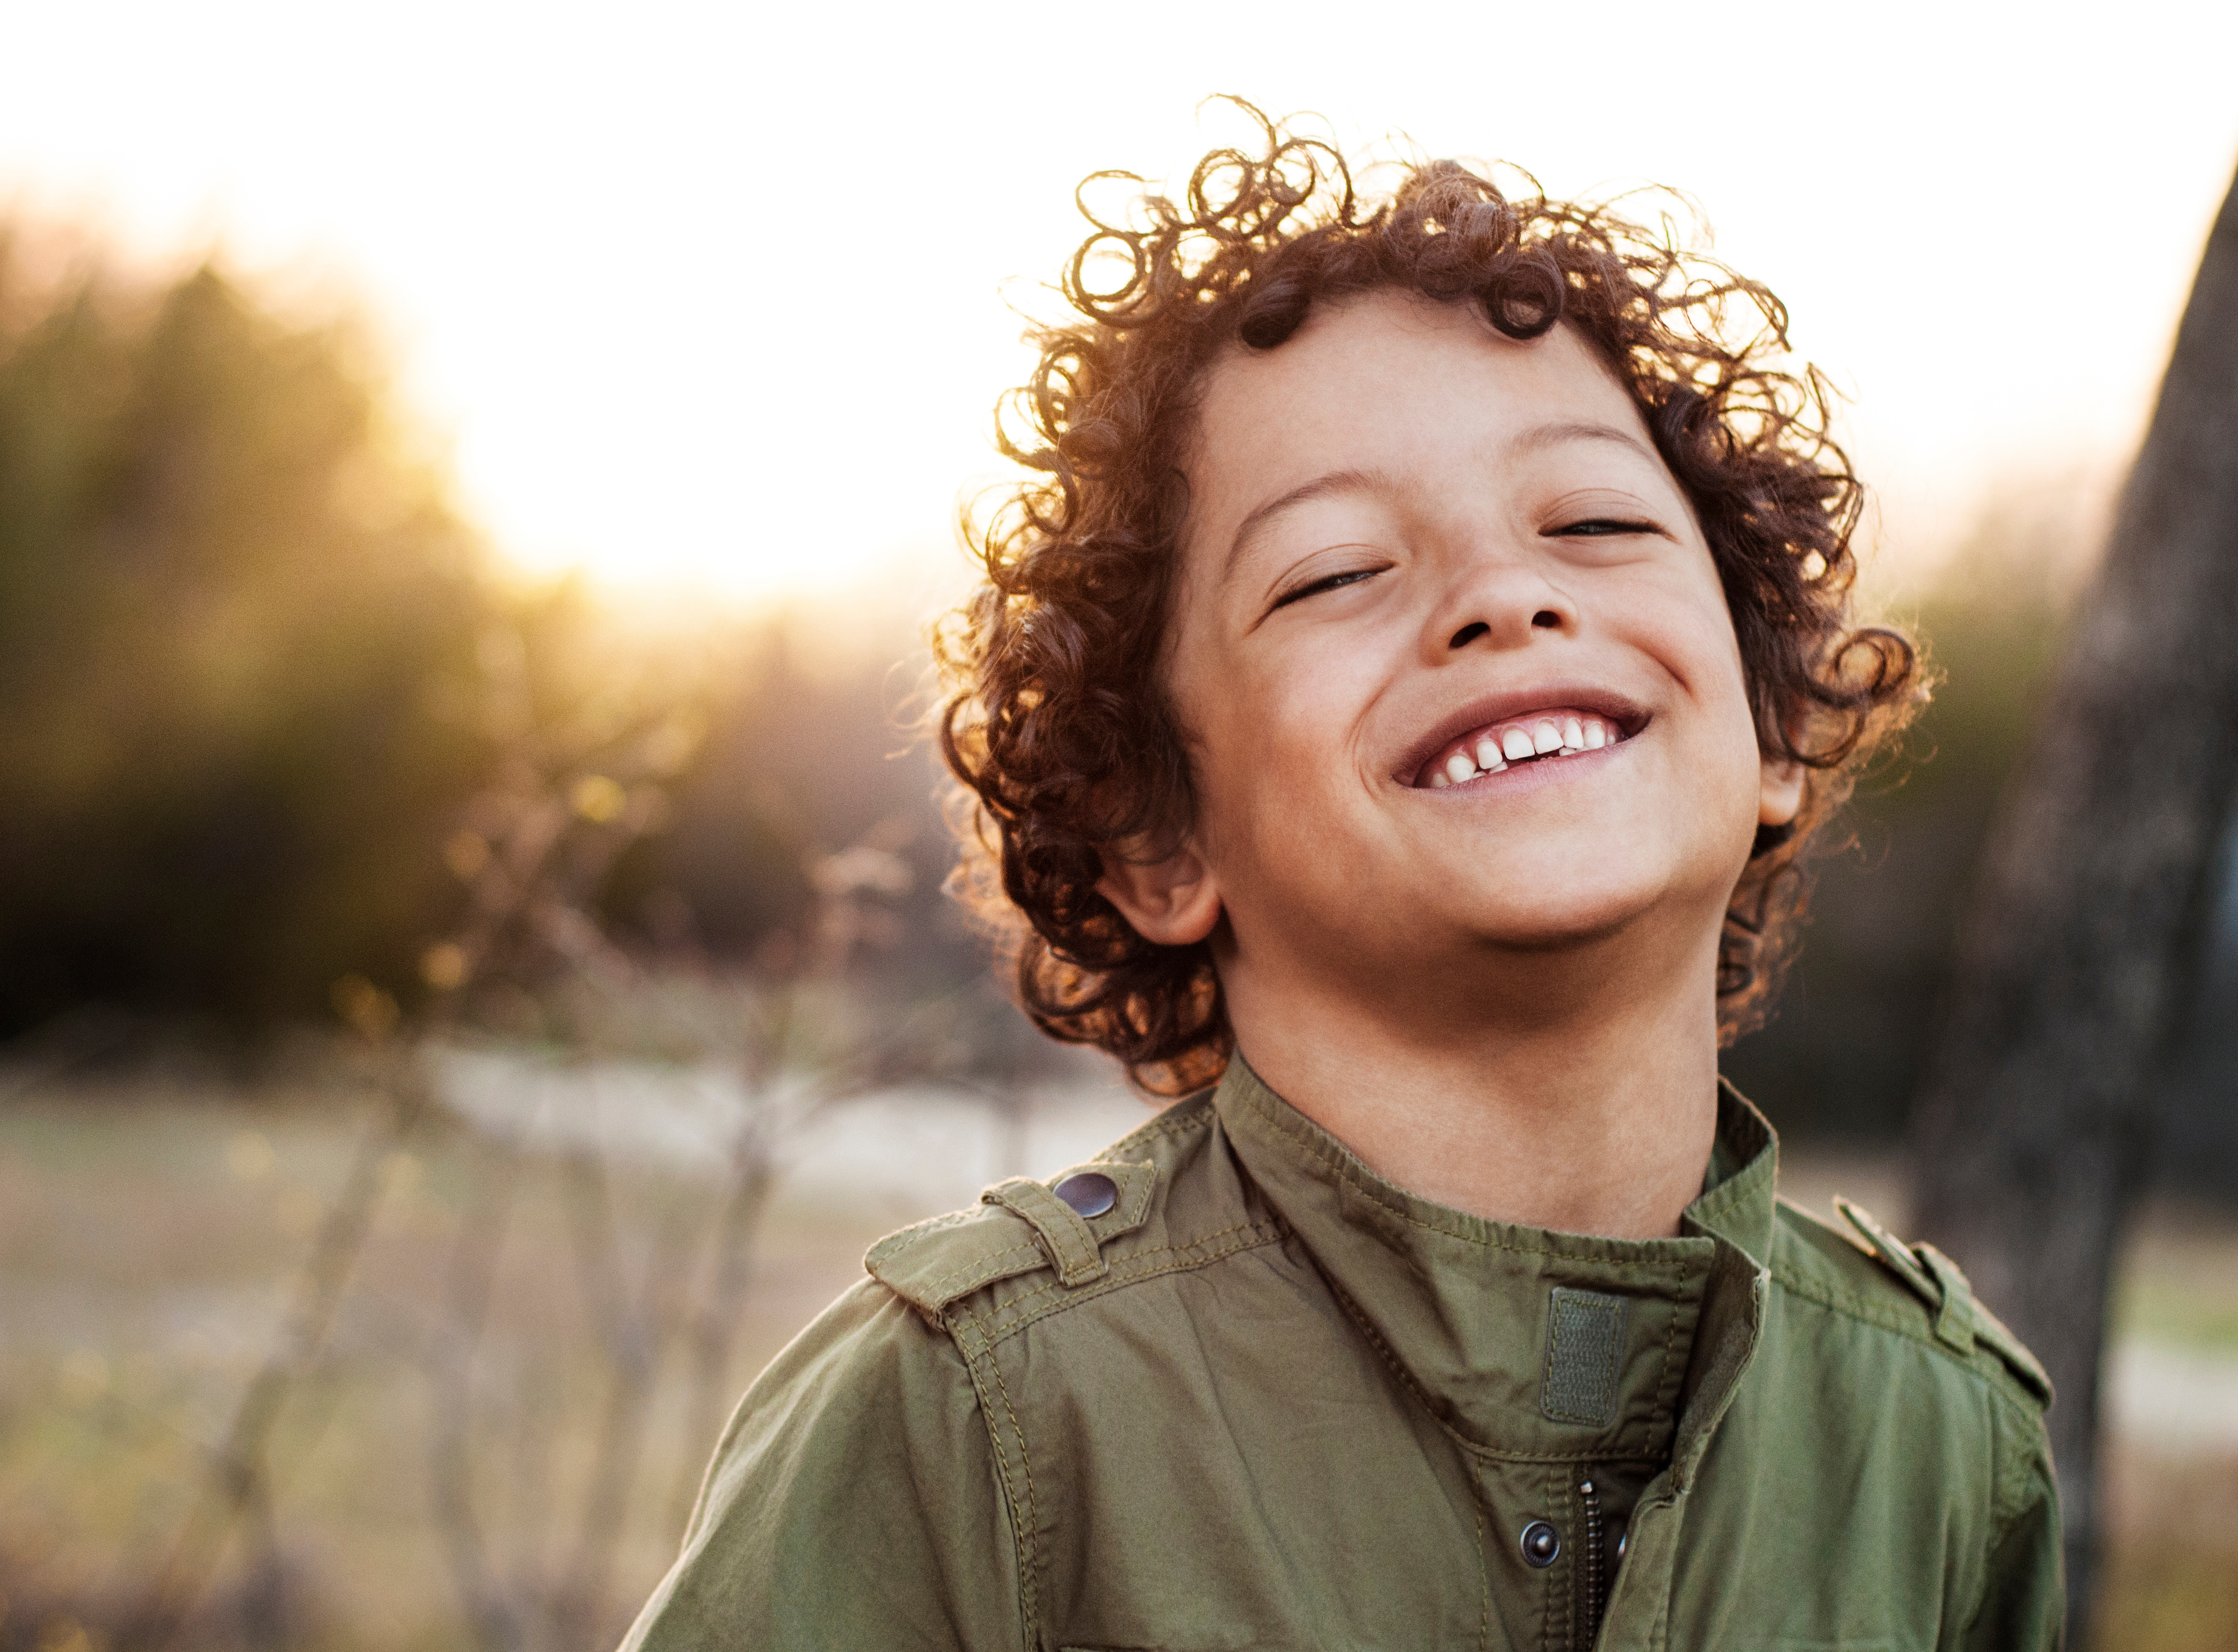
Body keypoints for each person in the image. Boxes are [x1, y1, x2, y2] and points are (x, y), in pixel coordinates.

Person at [621, 104, 2062, 1650]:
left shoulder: (1950, 1441)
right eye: (1336, 573)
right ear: (1162, 838)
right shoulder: (972, 1422)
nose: (1506, 595)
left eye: (1594, 521)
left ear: (1774, 724)